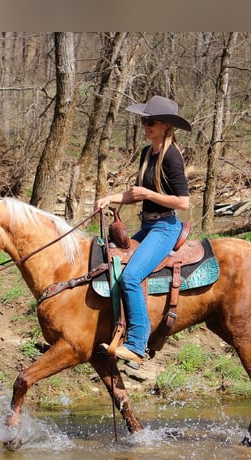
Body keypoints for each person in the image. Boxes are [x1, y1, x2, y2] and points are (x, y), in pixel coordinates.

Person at [95, 95, 192, 366]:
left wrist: (148, 192)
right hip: (148, 225)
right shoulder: (147, 153)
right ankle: (113, 328)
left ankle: (137, 345)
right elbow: (137, 194)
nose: (145, 125)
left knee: (131, 277)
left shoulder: (171, 156)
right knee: (110, 262)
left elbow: (183, 203)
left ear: (165, 126)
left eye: (151, 121)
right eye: (143, 120)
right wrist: (111, 197)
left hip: (165, 227)